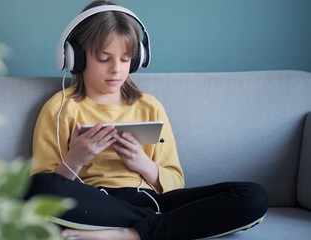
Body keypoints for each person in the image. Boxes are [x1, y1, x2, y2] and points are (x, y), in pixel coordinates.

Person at [24, 1, 269, 239]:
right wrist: (75, 159)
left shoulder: (150, 106)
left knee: (252, 196)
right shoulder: (59, 108)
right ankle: (156, 228)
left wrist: (142, 162)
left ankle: (130, 233)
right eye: (104, 58)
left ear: (137, 58)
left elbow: (175, 183)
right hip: (94, 203)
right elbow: (45, 189)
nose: (116, 69)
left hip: (152, 200)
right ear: (76, 56)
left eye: (125, 58)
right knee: (37, 187)